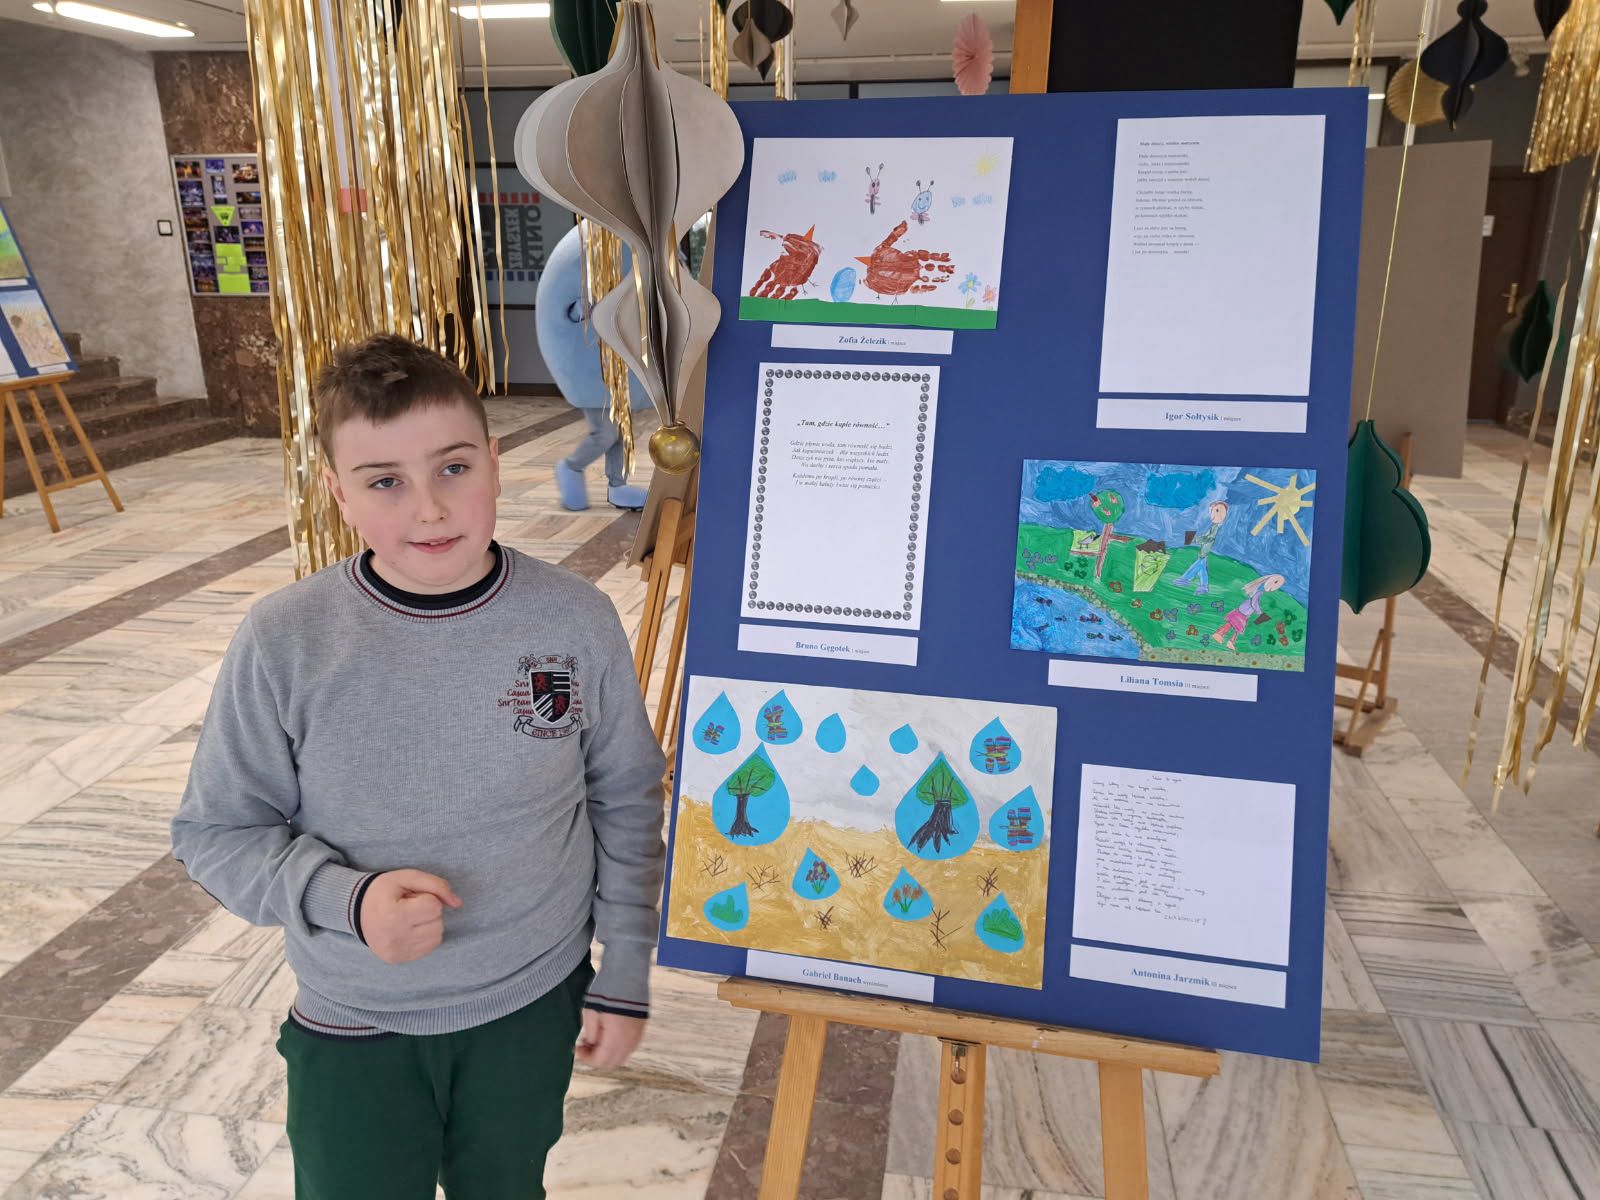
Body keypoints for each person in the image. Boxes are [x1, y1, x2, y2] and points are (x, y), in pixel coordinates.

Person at [171, 333, 666, 1200]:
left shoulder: (575, 620)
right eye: (385, 482)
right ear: (338, 493)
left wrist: (624, 964)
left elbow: (624, 796)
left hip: (532, 1003)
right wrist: (346, 899)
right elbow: (215, 833)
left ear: (495, 464)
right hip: (356, 1021)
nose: (430, 509)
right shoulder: (285, 640)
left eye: (454, 468)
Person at [537, 225, 651, 513]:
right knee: (605, 433)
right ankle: (572, 467)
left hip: (615, 370)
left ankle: (618, 485)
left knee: (621, 433)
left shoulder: (620, 278)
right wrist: (586, 307)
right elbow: (574, 312)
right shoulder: (584, 284)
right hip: (592, 375)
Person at [1212, 573, 1284, 650]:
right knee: (1231, 624)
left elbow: (1254, 602)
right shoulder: (1259, 591)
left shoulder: (1260, 591)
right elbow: (1254, 603)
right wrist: (1259, 612)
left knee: (1237, 628)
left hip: (1245, 614)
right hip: (1242, 612)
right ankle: (1219, 634)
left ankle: (1231, 641)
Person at [1173, 500, 1228, 595]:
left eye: (1213, 511)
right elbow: (1206, 537)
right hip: (1204, 552)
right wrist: (1196, 539)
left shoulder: (1215, 528)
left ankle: (1185, 579)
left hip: (1205, 552)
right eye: (1211, 511)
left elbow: (1209, 538)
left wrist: (1195, 540)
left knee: (1198, 566)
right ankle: (1203, 586)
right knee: (1202, 569)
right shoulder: (1214, 526)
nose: (1211, 515)